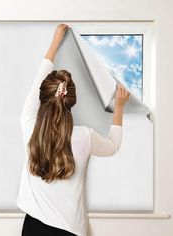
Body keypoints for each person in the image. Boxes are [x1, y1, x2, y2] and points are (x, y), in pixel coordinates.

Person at [16, 24, 130, 236]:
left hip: (32, 226)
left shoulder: (28, 124)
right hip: (68, 230)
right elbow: (114, 146)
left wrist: (55, 42)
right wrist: (120, 107)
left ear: (43, 96)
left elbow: (38, 79)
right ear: (71, 101)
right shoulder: (84, 136)